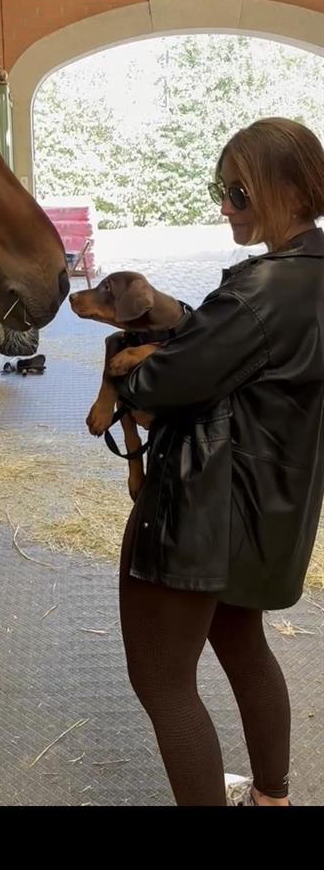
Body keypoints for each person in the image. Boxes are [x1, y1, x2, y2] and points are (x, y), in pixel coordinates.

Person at [112, 117, 324, 807]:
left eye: (236, 191)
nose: (224, 205)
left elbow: (160, 385)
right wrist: (177, 330)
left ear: (290, 189)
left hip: (202, 509)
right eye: (220, 189)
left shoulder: (261, 288)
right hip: (270, 506)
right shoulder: (309, 276)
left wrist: (129, 368)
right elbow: (230, 352)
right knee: (242, 645)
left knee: (163, 683)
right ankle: (271, 799)